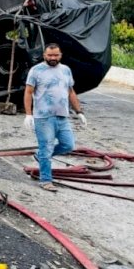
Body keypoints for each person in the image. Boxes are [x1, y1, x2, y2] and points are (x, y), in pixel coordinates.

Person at [23, 43, 87, 192]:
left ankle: (40, 155)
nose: (53, 58)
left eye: (56, 55)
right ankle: (46, 180)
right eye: (50, 55)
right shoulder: (36, 70)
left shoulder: (66, 70)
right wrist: (28, 114)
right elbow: (28, 92)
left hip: (62, 116)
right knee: (46, 148)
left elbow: (71, 91)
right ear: (44, 55)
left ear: (60, 55)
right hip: (43, 118)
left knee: (68, 145)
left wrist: (79, 111)